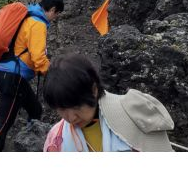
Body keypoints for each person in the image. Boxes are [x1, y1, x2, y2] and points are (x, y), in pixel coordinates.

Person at [43, 54, 174, 152]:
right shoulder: (55, 140)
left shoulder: (134, 112)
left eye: (77, 106)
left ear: (94, 90)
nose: (71, 118)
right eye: (62, 109)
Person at [0, 0, 64, 151]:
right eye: (57, 14)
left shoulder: (28, 17)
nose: (55, 18)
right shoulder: (38, 24)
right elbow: (38, 57)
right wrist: (55, 75)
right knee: (5, 122)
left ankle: (26, 143)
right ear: (52, 10)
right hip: (13, 77)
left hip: (5, 72)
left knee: (34, 109)